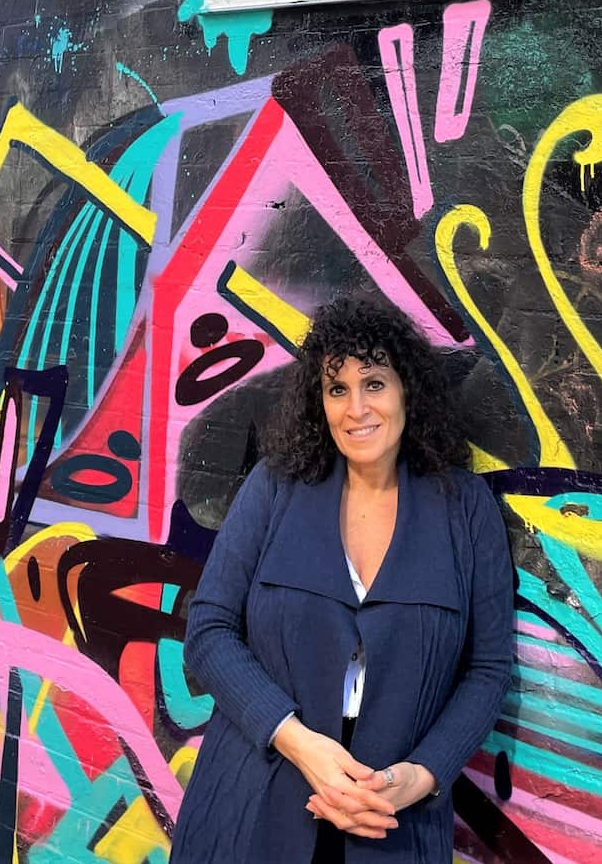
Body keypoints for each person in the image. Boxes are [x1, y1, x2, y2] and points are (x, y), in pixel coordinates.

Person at [170, 296, 515, 863]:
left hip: (391, 823)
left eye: (374, 384)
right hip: (256, 804)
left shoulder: (466, 508)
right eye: (337, 389)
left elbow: (489, 666)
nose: (356, 409)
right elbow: (209, 630)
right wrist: (300, 744)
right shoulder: (275, 486)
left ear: (407, 392)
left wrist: (422, 775)